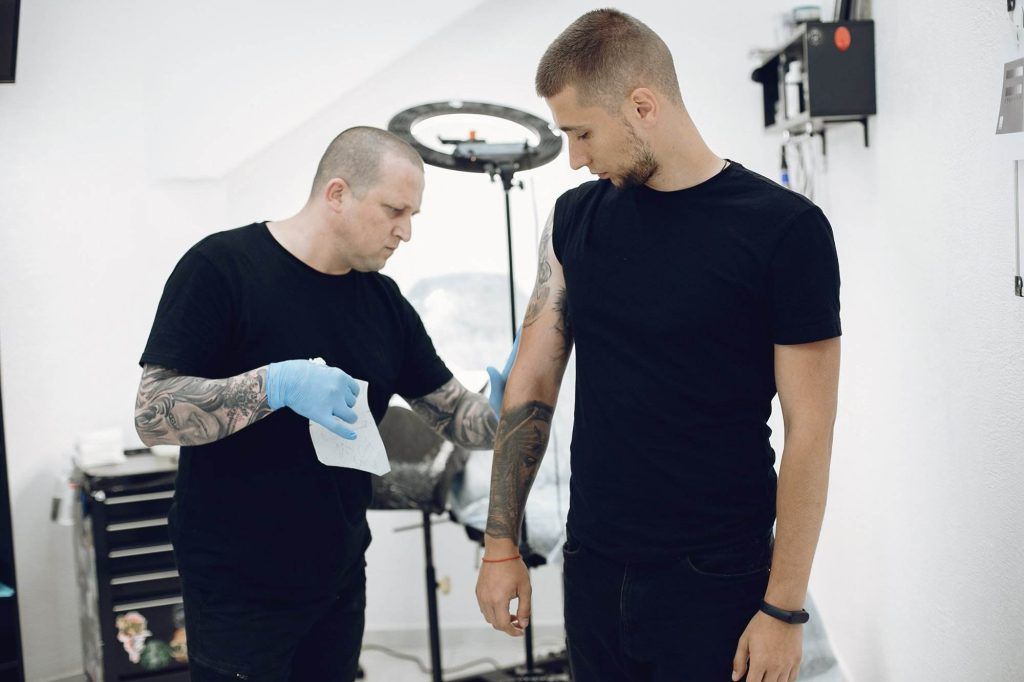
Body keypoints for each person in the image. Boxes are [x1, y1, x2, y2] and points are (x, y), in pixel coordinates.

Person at [475, 9, 841, 682]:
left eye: (581, 132)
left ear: (642, 106)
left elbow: (810, 431)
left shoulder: (785, 232)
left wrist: (784, 609)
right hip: (593, 565)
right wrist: (500, 543)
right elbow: (532, 381)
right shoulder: (574, 219)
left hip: (716, 576)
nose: (575, 157)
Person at [135, 126, 513, 682]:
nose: (405, 232)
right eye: (393, 211)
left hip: (336, 578)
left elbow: (457, 418)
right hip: (237, 585)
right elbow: (151, 415)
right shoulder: (222, 268)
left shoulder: (382, 303)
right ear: (337, 194)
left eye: (412, 215)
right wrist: (274, 385)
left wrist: (507, 410)